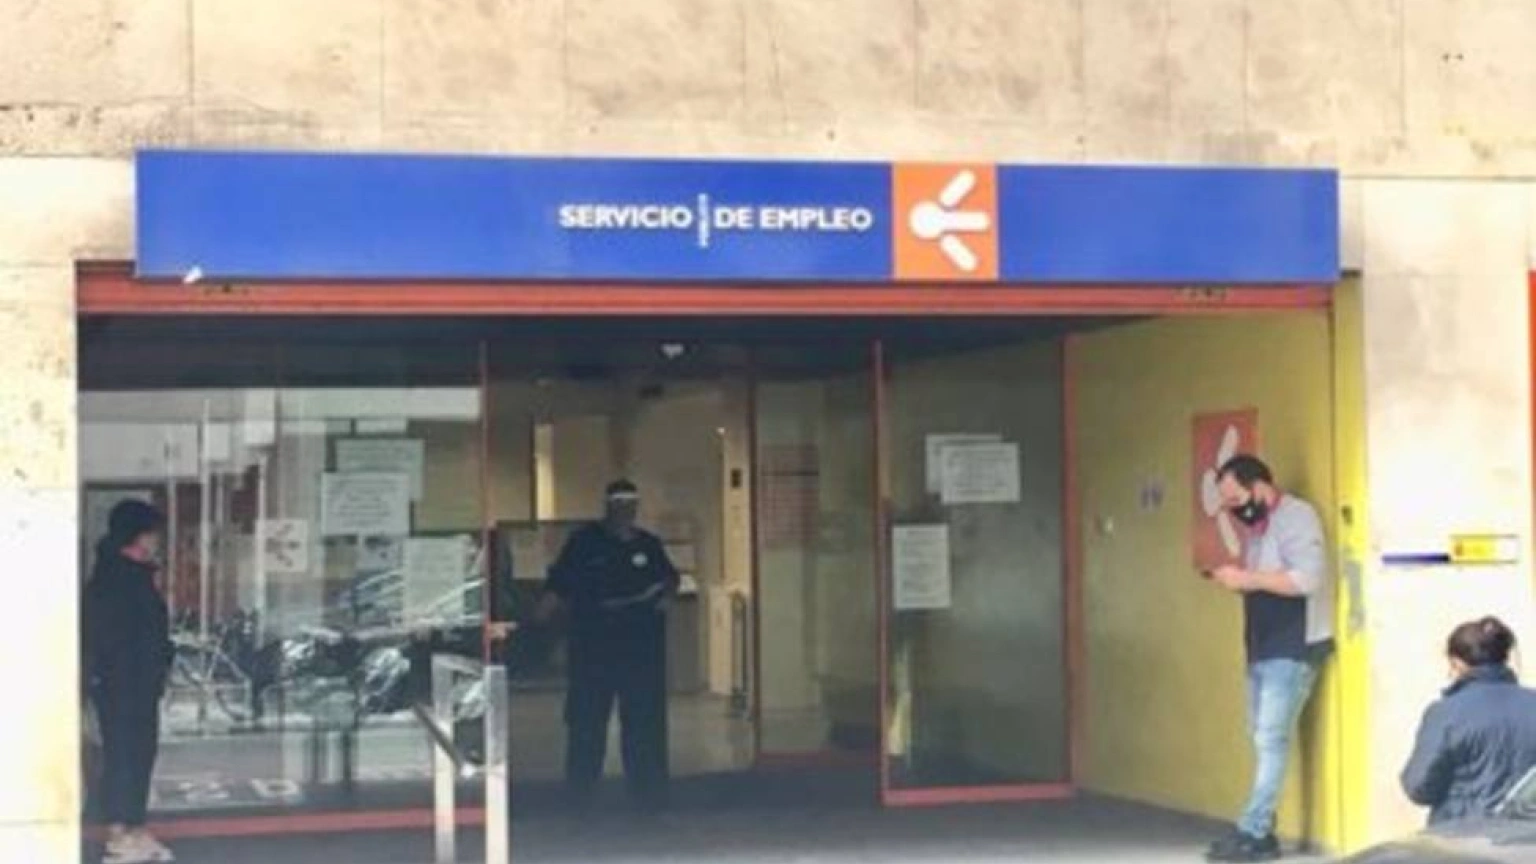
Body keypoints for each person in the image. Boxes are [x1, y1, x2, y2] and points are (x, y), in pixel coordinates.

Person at [1204, 455, 1333, 863]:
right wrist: (1238, 580)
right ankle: (1261, 827)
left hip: (1293, 644)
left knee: (1270, 738)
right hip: (1263, 643)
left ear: (1259, 486)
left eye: (1235, 498)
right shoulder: (1257, 526)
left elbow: (1307, 578)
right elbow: (1265, 581)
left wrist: (1247, 578)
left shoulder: (1297, 517)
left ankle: (1254, 830)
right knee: (1259, 735)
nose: (1233, 509)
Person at [537, 479, 679, 811]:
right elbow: (559, 585)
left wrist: (666, 599)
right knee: (586, 723)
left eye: (630, 503)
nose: (625, 510)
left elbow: (669, 580)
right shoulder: (584, 543)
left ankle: (647, 794)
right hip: (593, 648)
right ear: (608, 506)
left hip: (639, 650)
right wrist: (539, 623)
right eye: (619, 503)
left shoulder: (648, 545)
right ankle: (580, 794)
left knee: (642, 724)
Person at [83, 500, 175, 864]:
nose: (156, 541)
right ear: (137, 536)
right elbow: (117, 637)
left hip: (134, 683)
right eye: (152, 534)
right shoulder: (119, 579)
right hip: (124, 684)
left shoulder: (125, 574)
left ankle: (133, 829)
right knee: (125, 755)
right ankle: (120, 834)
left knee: (137, 754)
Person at [1401, 616, 1536, 824]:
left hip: (1463, 834)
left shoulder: (1446, 713)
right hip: (1526, 835)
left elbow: (1419, 787)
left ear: (1456, 663)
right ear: (1505, 658)